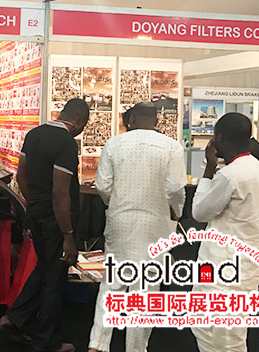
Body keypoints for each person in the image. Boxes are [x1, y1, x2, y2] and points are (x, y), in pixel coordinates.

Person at [87, 102, 187, 352]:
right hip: (156, 224)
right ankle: (135, 348)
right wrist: (175, 212)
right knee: (146, 288)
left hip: (120, 221)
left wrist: (116, 204)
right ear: (156, 121)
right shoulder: (172, 147)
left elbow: (103, 185)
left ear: (131, 120)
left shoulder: (114, 144)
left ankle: (97, 344)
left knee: (111, 283)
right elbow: (176, 188)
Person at [0, 98, 90, 352]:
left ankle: (14, 319)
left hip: (36, 213)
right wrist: (68, 236)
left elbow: (21, 176)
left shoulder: (34, 134)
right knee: (55, 278)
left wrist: (34, 203)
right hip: (56, 220)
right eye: (83, 125)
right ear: (80, 120)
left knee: (44, 268)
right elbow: (60, 192)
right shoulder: (66, 143)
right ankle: (47, 341)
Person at [190, 113, 259, 352]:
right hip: (243, 263)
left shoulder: (229, 175)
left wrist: (209, 170)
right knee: (212, 328)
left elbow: (199, 212)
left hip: (223, 267)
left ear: (219, 138)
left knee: (226, 336)